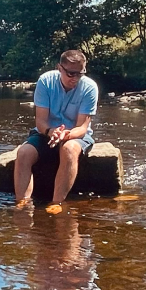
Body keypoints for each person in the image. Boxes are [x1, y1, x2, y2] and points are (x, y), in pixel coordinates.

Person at [12, 49, 98, 215]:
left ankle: (56, 202)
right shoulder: (45, 81)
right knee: (23, 153)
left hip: (75, 135)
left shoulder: (89, 88)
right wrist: (51, 132)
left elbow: (82, 128)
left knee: (69, 149)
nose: (75, 79)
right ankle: (22, 203)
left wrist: (65, 135)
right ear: (60, 68)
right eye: (71, 73)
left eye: (80, 74)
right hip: (45, 132)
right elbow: (41, 121)